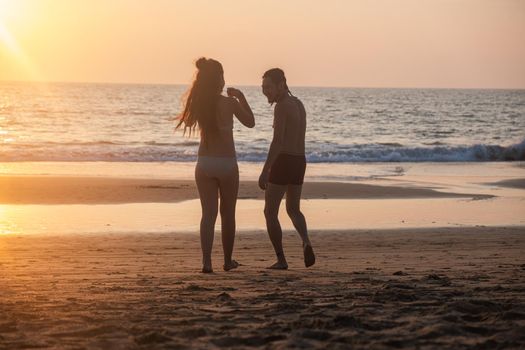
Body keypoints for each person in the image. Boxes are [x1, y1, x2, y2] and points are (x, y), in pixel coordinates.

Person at [176, 58, 255, 273]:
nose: (224, 79)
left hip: (205, 163)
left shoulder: (200, 104)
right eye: (221, 75)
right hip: (227, 163)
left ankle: (206, 263)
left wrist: (197, 98)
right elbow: (250, 122)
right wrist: (241, 97)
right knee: (228, 214)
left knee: (208, 215)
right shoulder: (229, 103)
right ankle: (228, 261)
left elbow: (190, 122)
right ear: (218, 78)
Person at [259, 68, 315, 269]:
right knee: (293, 209)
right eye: (263, 87)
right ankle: (306, 241)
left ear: (281, 85)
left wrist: (265, 170)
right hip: (299, 161)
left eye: (268, 87)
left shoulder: (281, 106)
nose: (265, 91)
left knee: (270, 212)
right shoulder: (299, 104)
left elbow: (278, 142)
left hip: (283, 161)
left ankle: (281, 259)